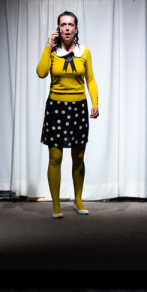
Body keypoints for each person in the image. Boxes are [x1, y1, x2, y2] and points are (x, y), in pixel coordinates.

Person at [35, 11, 99, 217]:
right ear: (58, 29)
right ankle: (56, 204)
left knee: (78, 157)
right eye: (63, 25)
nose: (67, 28)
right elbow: (41, 73)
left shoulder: (84, 52)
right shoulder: (52, 52)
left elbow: (90, 79)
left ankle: (78, 200)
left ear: (76, 29)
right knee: (55, 157)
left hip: (78, 108)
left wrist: (95, 103)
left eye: (70, 24)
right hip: (56, 108)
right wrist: (47, 46)